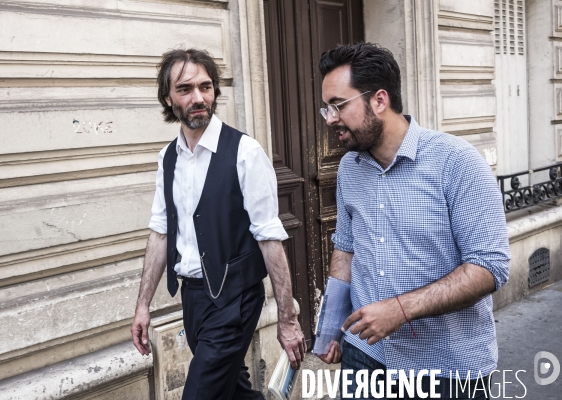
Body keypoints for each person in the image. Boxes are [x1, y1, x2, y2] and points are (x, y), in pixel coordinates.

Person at [316, 42, 511, 399]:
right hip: (365, 357)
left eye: (338, 106)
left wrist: (400, 309)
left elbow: (489, 267)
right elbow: (345, 251)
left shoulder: (458, 162)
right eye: (325, 108)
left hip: (446, 370)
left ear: (379, 100)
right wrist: (331, 330)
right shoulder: (349, 167)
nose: (330, 119)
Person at [130, 48, 305, 400]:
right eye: (185, 89)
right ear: (168, 97)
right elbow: (161, 230)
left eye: (206, 87)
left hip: (236, 299)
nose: (199, 98)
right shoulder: (167, 158)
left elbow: (270, 237)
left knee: (200, 394)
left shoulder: (245, 152)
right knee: (233, 390)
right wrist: (143, 305)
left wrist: (287, 318)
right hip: (193, 299)